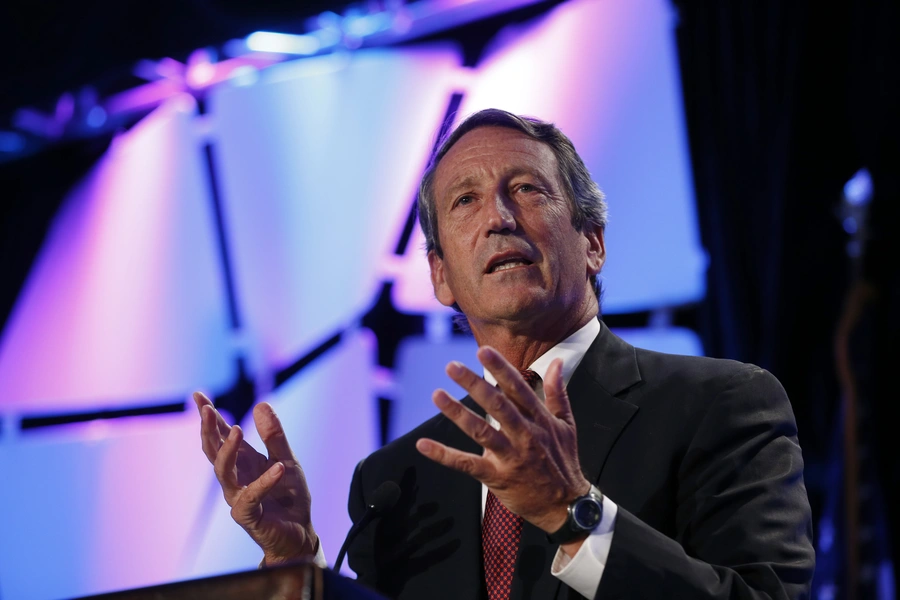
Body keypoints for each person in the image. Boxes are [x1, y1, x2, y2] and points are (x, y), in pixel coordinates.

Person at [196, 109, 815, 599]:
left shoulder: (721, 404)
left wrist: (573, 513)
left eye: (525, 188)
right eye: (464, 200)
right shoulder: (394, 482)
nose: (497, 217)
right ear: (440, 278)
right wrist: (294, 565)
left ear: (593, 242)